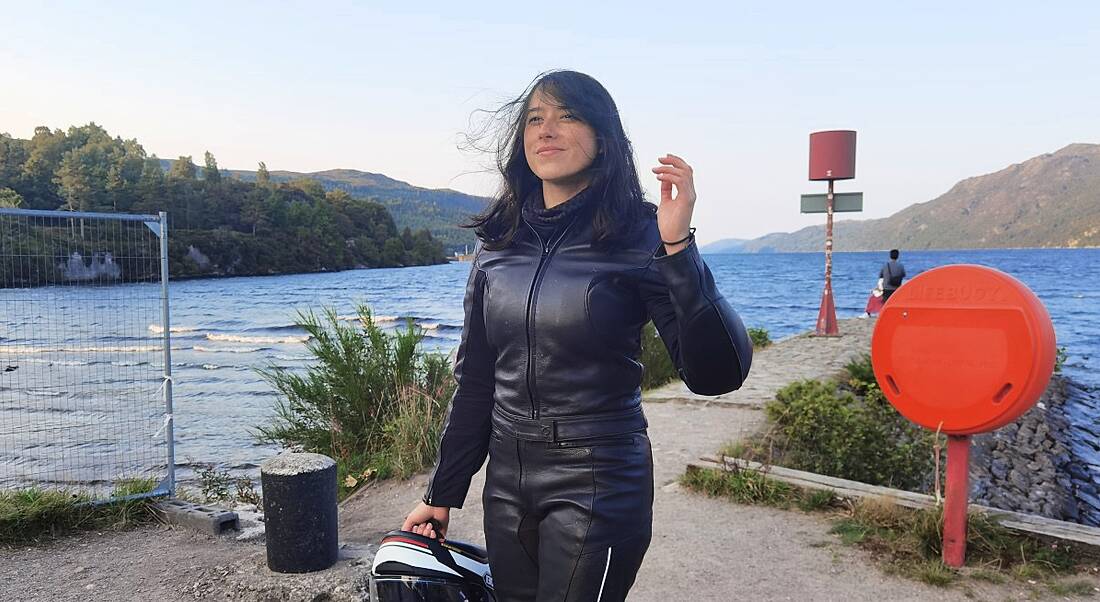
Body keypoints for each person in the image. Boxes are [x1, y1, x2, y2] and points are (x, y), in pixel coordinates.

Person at [400, 70, 753, 602]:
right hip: (508, 481)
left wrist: (679, 250)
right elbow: (475, 381)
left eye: (567, 116)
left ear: (604, 137)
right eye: (535, 120)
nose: (547, 130)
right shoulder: (498, 245)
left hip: (599, 478)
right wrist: (442, 491)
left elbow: (717, 374)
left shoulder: (642, 233)